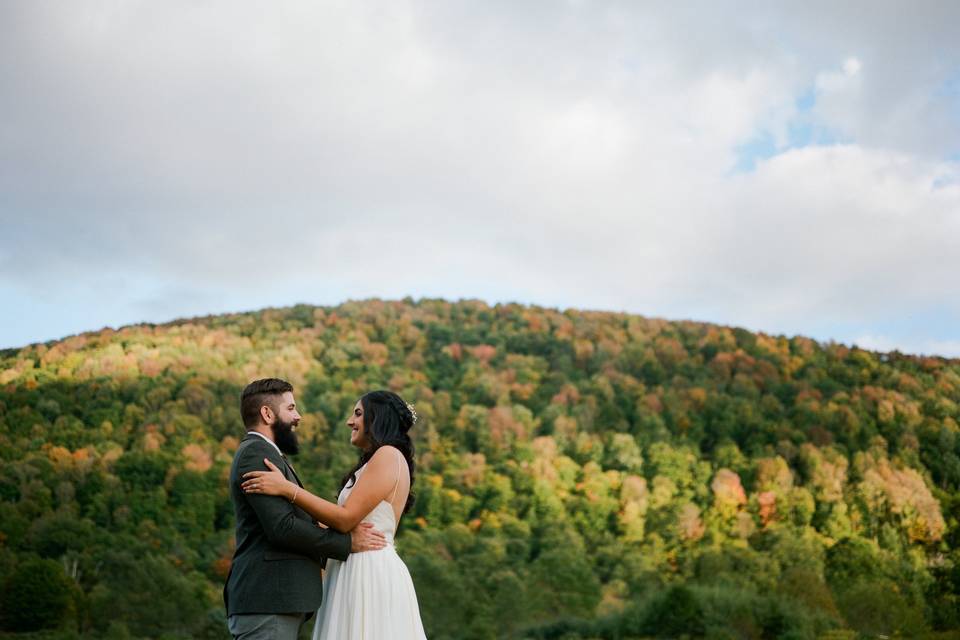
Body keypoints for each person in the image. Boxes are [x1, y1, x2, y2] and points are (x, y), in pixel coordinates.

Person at [242, 389, 427, 639]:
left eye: (358, 414)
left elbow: (345, 518)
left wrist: (288, 489)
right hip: (351, 565)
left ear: (378, 418)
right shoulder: (375, 461)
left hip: (369, 569)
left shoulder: (388, 455)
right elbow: (336, 519)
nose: (350, 421)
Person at [224, 378, 387, 640]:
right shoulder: (256, 454)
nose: (298, 416)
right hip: (268, 598)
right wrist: (346, 543)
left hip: (275, 600)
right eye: (291, 408)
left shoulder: (269, 454)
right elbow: (282, 528)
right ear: (267, 413)